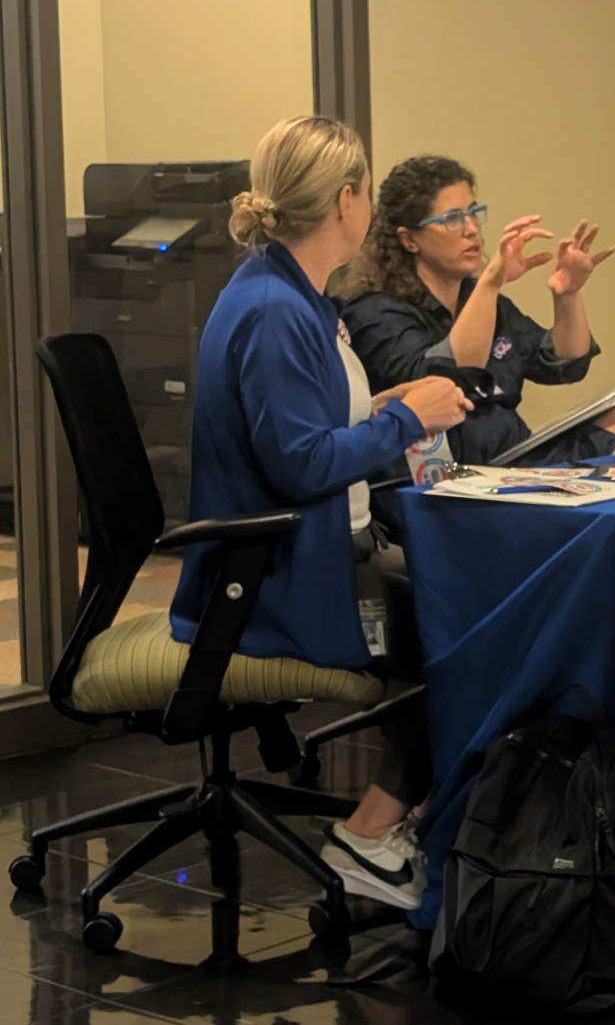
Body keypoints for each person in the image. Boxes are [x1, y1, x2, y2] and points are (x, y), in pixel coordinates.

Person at [169, 116, 471, 908]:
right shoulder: (276, 310)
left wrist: (385, 405)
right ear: (346, 201)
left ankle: (415, 814)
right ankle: (370, 835)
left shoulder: (283, 290)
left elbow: (304, 424)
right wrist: (409, 421)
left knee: (453, 605)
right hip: (272, 578)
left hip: (296, 550)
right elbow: (300, 464)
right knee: (462, 628)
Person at [338, 155, 615, 466]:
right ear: (409, 239)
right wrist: (492, 280)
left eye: (473, 214)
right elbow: (450, 376)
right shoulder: (375, 313)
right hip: (449, 475)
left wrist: (567, 295)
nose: (471, 230)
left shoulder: (484, 301)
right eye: (453, 219)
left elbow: (564, 361)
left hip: (515, 455)